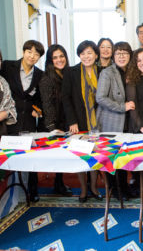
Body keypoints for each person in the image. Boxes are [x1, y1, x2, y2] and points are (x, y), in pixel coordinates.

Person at [0, 40, 45, 202]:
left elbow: (40, 98)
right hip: (8, 117)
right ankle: (7, 192)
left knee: (30, 155)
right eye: (30, 52)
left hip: (28, 120)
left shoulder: (40, 74)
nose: (32, 56)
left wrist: (37, 110)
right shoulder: (7, 67)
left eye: (37, 54)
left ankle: (32, 190)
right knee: (9, 153)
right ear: (24, 51)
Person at [62, 40, 102, 203]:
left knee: (94, 154)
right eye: (83, 53)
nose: (86, 56)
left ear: (96, 55)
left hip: (98, 121)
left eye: (90, 53)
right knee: (81, 154)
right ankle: (83, 189)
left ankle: (93, 187)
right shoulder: (71, 72)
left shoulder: (102, 71)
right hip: (78, 121)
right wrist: (72, 121)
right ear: (79, 55)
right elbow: (66, 98)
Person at [96, 42, 135, 201]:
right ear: (113, 56)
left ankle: (124, 188)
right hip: (111, 121)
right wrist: (122, 106)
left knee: (124, 157)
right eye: (118, 53)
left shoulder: (132, 72)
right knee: (113, 158)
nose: (122, 56)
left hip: (128, 122)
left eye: (125, 53)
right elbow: (100, 98)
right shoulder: (107, 73)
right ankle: (115, 190)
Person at [39, 44, 72, 196]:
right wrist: (51, 127)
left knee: (64, 154)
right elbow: (47, 105)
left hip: (66, 120)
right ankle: (58, 185)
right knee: (57, 155)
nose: (59, 60)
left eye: (62, 56)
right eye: (55, 57)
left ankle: (60, 183)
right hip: (54, 123)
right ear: (50, 61)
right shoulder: (47, 79)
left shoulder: (67, 74)